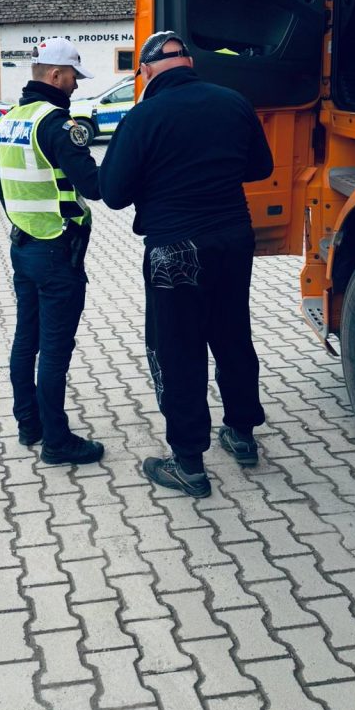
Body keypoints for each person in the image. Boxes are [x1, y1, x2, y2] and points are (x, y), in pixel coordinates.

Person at [99, 30, 274, 497]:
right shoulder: (234, 102)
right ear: (189, 63)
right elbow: (261, 168)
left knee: (178, 350)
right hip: (233, 238)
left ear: (147, 70)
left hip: (175, 248)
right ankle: (242, 434)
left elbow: (113, 193)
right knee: (233, 335)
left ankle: (189, 464)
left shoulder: (143, 117)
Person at [0, 37, 104, 465]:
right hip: (58, 251)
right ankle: (57, 442)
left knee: (26, 340)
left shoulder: (11, 121)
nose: (77, 84)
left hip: (23, 247)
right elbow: (93, 185)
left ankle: (30, 424)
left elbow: (0, 188)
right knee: (55, 350)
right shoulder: (57, 124)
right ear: (56, 75)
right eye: (74, 76)